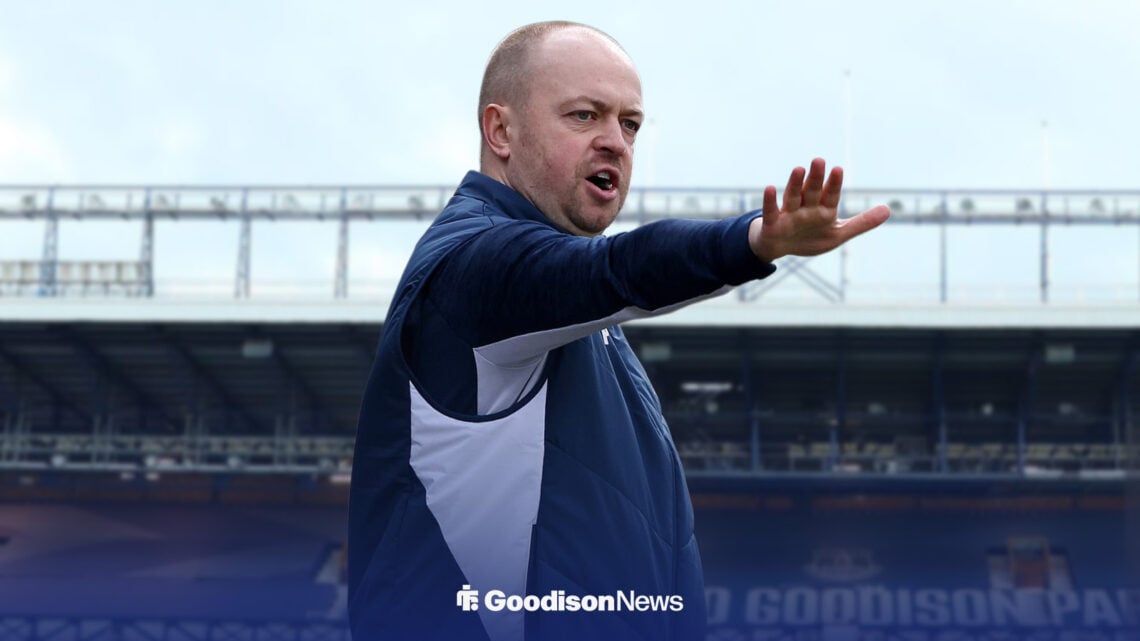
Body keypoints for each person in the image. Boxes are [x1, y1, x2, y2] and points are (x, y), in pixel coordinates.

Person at [347, 20, 889, 641]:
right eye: (584, 116)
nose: (616, 142)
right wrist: (753, 242)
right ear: (501, 130)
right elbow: (621, 268)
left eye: (629, 124)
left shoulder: (584, 324)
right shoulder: (473, 270)